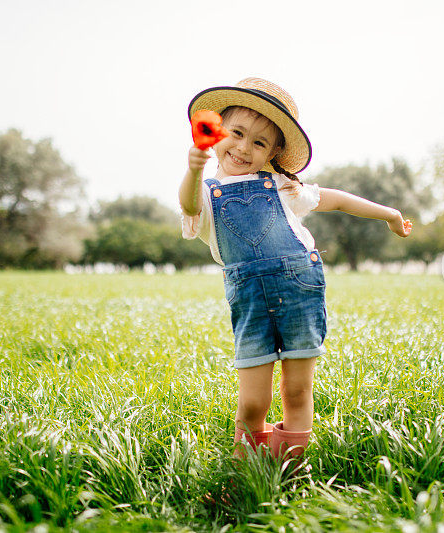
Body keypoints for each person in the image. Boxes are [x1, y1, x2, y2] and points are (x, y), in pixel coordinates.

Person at [179, 77, 412, 461]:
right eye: (236, 133)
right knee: (253, 402)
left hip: (300, 288)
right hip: (249, 301)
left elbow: (335, 200)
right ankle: (245, 475)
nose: (243, 147)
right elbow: (188, 205)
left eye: (259, 142)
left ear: (274, 151)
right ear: (217, 132)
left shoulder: (283, 186)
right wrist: (192, 169)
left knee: (297, 391)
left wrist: (389, 213)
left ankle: (291, 469)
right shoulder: (204, 194)